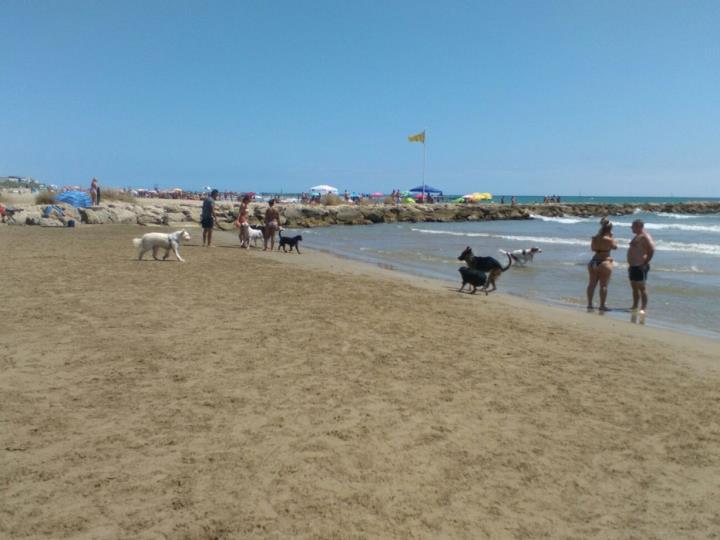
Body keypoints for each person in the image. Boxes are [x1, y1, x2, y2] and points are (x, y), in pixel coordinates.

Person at [586, 218, 617, 311]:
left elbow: (593, 249)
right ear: (610, 229)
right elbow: (615, 247)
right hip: (604, 262)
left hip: (593, 261)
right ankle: (602, 305)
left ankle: (590, 304)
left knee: (591, 284)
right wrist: (612, 237)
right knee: (603, 285)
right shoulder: (608, 239)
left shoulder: (595, 238)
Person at [627, 219, 655, 313]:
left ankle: (643, 308)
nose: (631, 228)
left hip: (640, 266)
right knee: (634, 287)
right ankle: (635, 305)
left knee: (642, 288)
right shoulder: (637, 236)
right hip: (633, 266)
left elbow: (651, 250)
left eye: (633, 226)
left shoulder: (645, 236)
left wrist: (645, 263)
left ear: (639, 226)